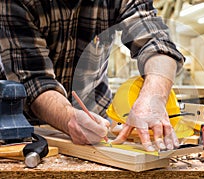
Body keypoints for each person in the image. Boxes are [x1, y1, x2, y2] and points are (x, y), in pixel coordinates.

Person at [0, 0, 185, 152]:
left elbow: (157, 42)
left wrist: (154, 97)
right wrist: (68, 117)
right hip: (28, 132)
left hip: (97, 121)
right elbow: (33, 81)